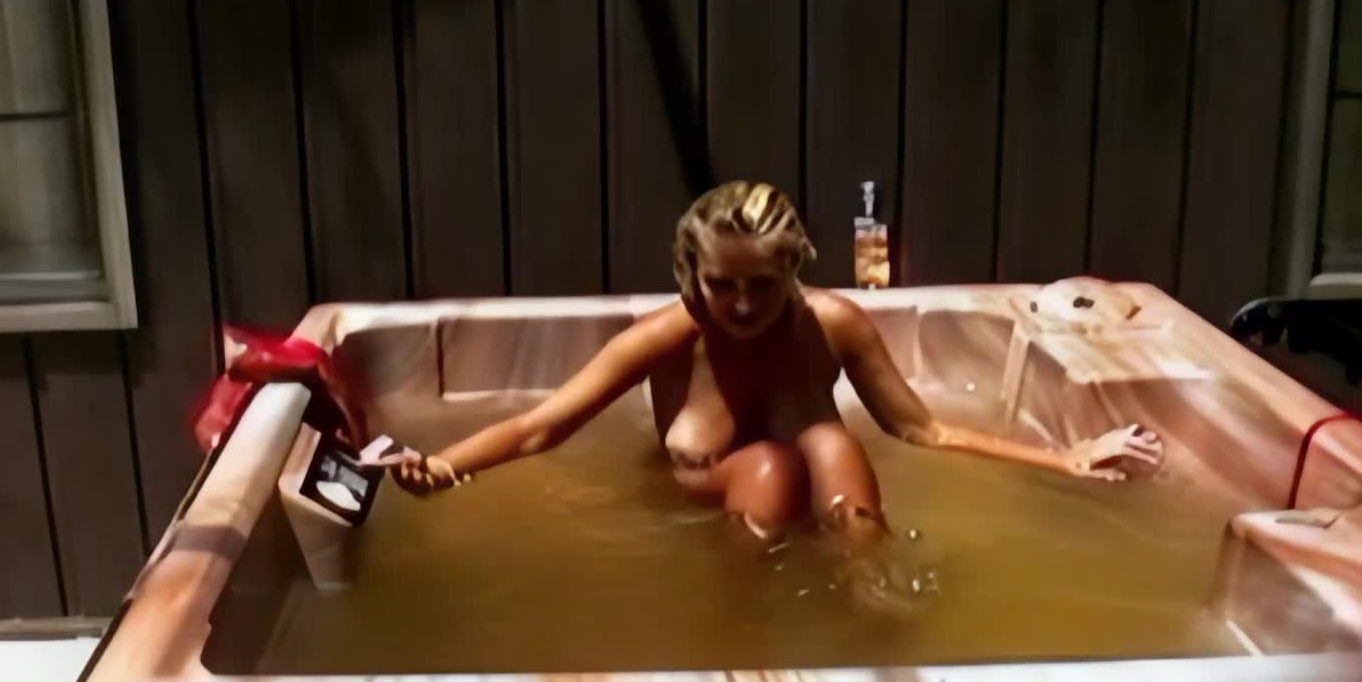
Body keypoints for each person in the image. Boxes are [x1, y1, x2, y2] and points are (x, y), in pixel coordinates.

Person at [392, 181, 1162, 556]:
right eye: (719, 284)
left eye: (761, 284)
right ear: (690, 277)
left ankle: (870, 587)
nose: (740, 303)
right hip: (712, 518)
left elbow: (921, 429)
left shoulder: (835, 325)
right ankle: (751, 630)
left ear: (793, 269)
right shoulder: (666, 336)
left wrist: (1065, 458)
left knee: (826, 441)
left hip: (823, 495)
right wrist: (439, 468)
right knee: (769, 464)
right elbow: (541, 428)